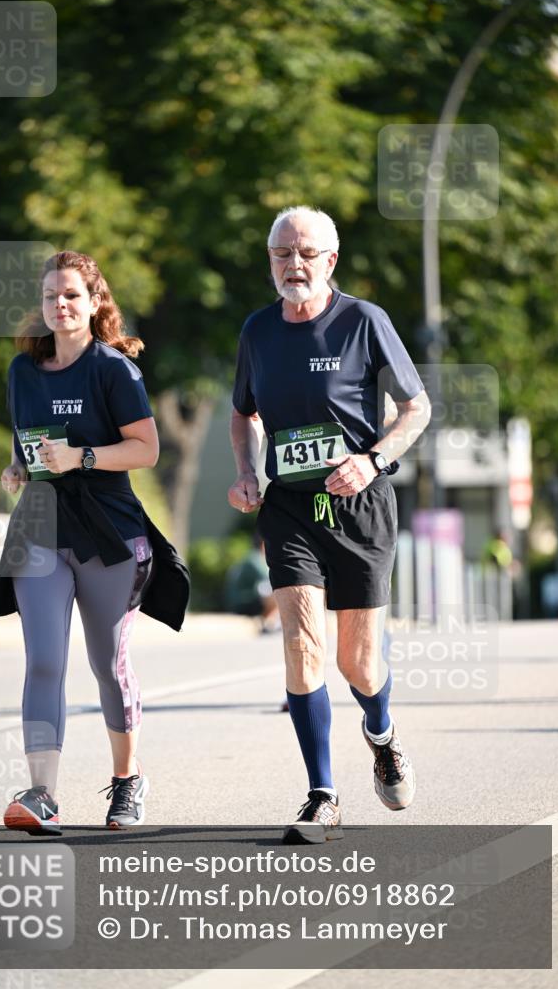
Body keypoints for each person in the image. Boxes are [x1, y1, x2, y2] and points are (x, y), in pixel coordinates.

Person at [228, 206, 431, 843]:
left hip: (360, 506)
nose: (295, 265)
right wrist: (246, 471)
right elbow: (243, 414)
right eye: (283, 254)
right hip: (290, 507)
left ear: (330, 260)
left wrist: (373, 462)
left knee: (359, 664)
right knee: (301, 645)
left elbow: (416, 408)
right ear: (270, 262)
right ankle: (322, 793)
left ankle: (383, 733)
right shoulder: (257, 331)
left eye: (307, 253)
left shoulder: (365, 322)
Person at [0, 250, 189, 834]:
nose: (60, 305)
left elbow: (145, 450)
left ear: (95, 303)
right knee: (43, 660)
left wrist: (83, 458)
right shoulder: (22, 372)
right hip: (41, 525)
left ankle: (127, 780)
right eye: (51, 296)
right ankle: (42, 793)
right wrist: (18, 469)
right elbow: (28, 443)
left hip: (108, 532)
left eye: (71, 294)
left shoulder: (113, 370)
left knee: (107, 664)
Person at [223, 533, 280, 633]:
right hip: (242, 602)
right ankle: (270, 623)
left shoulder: (252, 557)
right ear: (264, 543)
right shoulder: (255, 558)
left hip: (243, 599)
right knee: (279, 593)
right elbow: (271, 577)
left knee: (273, 591)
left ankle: (270, 622)